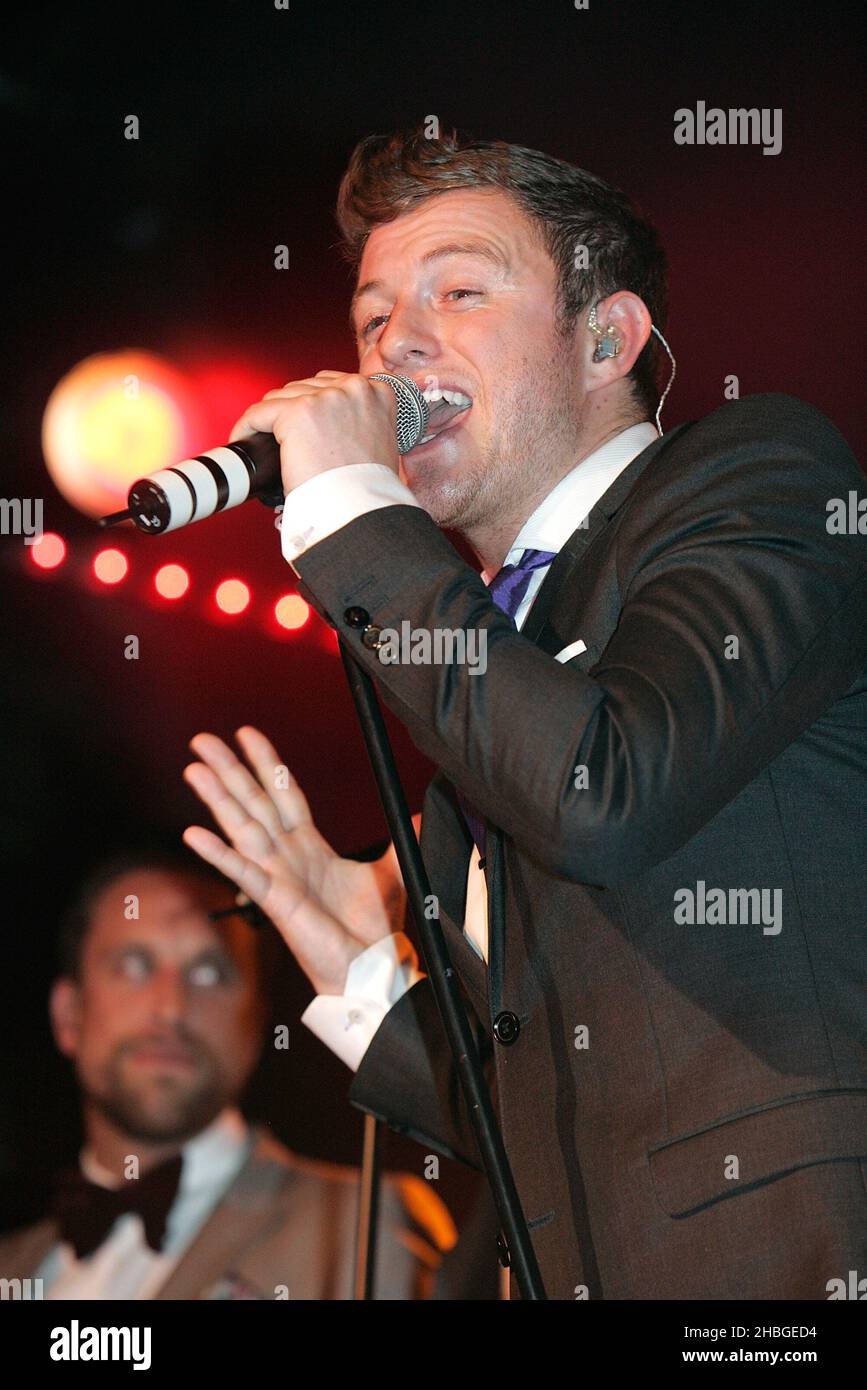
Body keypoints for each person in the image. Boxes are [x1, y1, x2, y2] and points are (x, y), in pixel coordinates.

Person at [180, 129, 867, 1300]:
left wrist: (350, 513)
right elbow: (551, 1113)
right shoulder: (495, 693)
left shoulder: (761, 473)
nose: (397, 345)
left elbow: (607, 793)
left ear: (607, 336)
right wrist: (364, 979)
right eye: (372, 316)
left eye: (459, 288)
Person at [0, 851, 455, 1299]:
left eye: (208, 972)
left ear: (256, 1020)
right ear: (68, 1015)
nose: (170, 1008)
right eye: (135, 966)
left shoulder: (360, 1225)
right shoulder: (11, 1267)